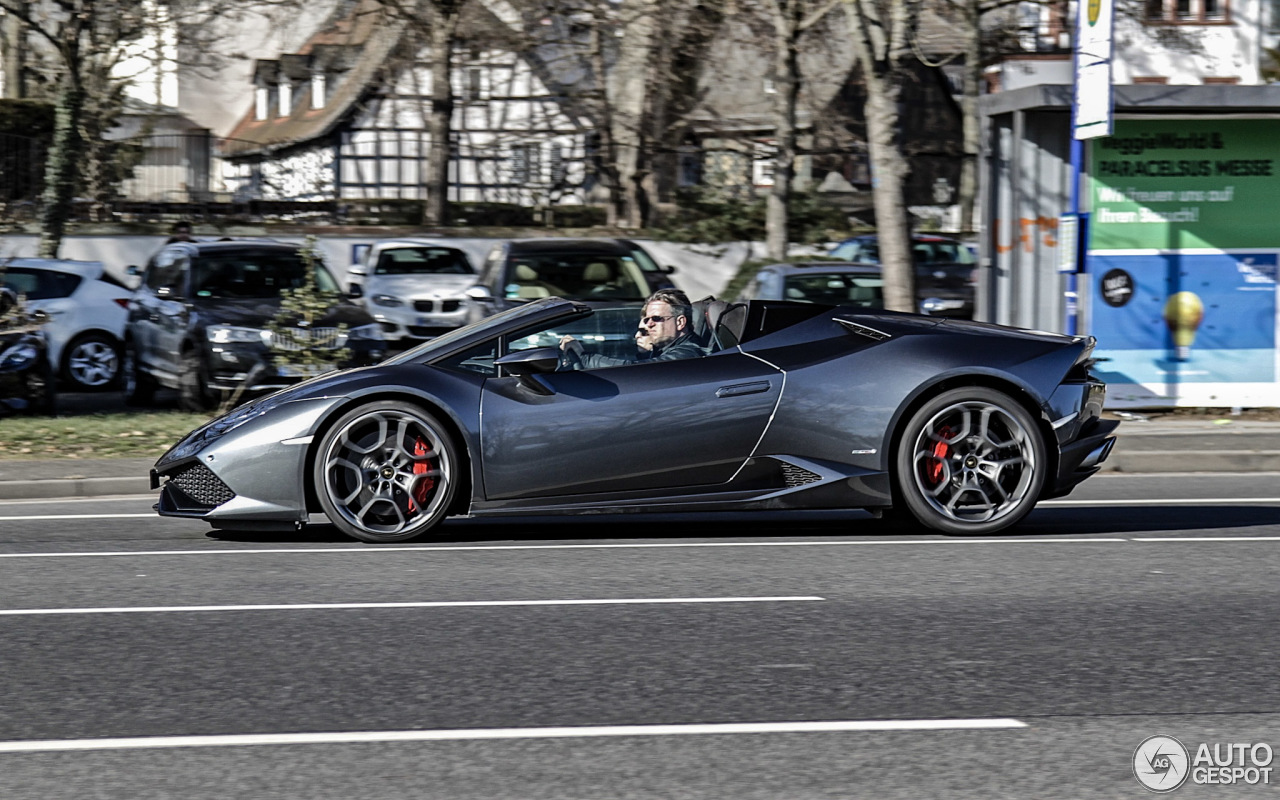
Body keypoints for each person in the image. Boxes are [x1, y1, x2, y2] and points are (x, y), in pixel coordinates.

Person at [559, 288, 703, 370]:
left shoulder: (687, 353)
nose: (649, 325)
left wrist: (585, 357)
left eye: (657, 318)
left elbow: (638, 370)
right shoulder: (665, 350)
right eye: (647, 320)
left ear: (680, 322)